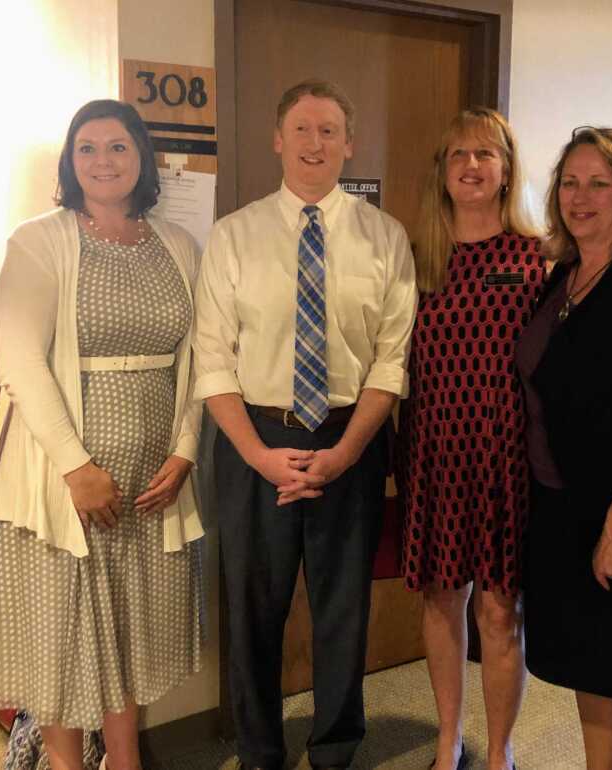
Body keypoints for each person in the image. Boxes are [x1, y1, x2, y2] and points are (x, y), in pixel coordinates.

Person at [193, 79, 417, 770]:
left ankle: (335, 748)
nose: (314, 143)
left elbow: (390, 360)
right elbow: (212, 359)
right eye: (301, 129)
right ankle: (260, 750)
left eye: (328, 131)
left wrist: (348, 452)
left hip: (351, 440)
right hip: (253, 442)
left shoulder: (387, 237)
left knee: (343, 609)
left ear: (348, 143)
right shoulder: (234, 235)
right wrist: (261, 455)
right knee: (253, 611)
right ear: (277, 139)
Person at [0, 99, 204, 770]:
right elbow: (18, 357)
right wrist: (76, 467)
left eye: (117, 146)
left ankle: (126, 759)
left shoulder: (178, 243)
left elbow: (203, 355)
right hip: (63, 474)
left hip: (152, 475)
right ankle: (64, 764)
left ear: (142, 157)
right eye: (87, 148)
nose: (102, 161)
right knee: (66, 627)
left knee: (128, 629)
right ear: (69, 161)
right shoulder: (39, 238)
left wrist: (186, 449)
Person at [396, 108, 544, 770]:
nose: (472, 166)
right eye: (458, 155)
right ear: (442, 172)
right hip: (437, 454)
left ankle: (501, 751)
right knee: (441, 601)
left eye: (486, 154)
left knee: (499, 611)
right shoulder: (417, 258)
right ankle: (449, 737)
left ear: (507, 169)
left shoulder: (538, 257)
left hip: (508, 459)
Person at [516, 127, 612, 770]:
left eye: (598, 183)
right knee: (593, 668)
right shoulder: (565, 277)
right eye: (569, 182)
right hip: (564, 509)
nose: (581, 197)